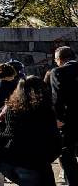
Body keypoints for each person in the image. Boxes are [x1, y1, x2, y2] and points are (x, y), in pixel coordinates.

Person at [0, 76, 61, 186]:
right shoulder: (44, 110)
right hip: (32, 163)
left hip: (7, 162)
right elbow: (54, 139)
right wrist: (48, 158)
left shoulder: (8, 107)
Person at [51, 46, 78, 185]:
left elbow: (57, 98)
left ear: (60, 59)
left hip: (69, 120)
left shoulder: (58, 72)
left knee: (67, 154)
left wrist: (58, 118)